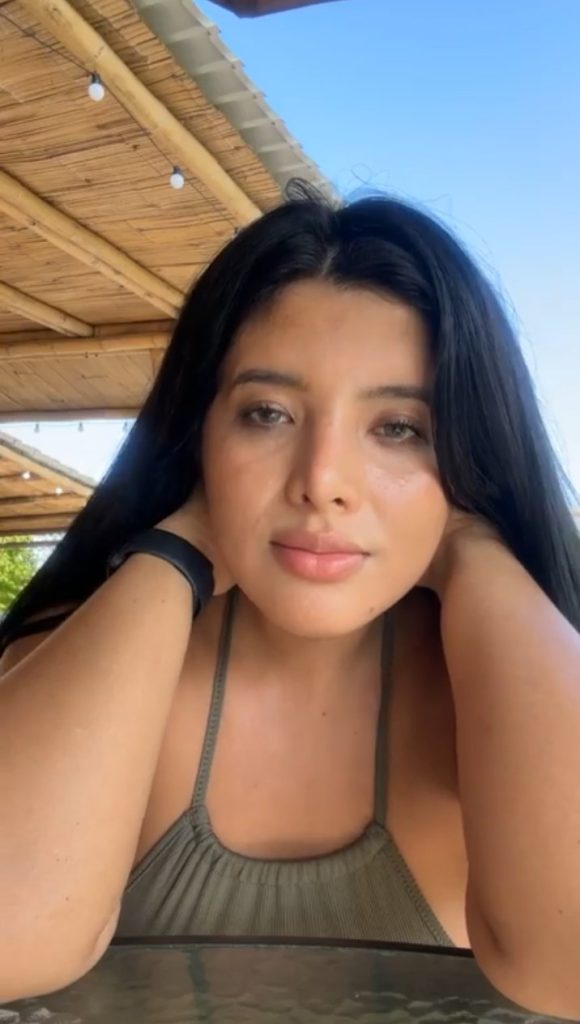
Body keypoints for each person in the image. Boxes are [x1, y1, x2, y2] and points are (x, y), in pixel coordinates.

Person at [1, 183, 579, 1016]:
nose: (322, 482)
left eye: (399, 428)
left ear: (469, 451)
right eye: (267, 414)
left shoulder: (501, 686)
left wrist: (473, 555)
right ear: (199, 432)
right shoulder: (87, 650)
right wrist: (180, 547)